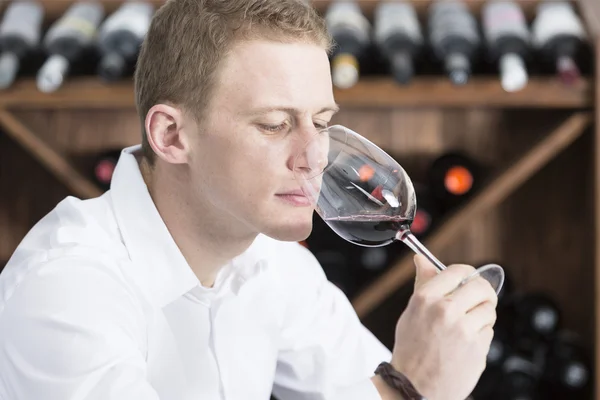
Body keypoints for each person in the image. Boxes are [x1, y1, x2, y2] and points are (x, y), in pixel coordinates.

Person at [0, 0, 497, 399]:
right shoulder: (64, 287)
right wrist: (407, 387)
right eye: (275, 124)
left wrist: (433, 369)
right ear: (172, 135)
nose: (313, 157)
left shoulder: (272, 263)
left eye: (322, 123)